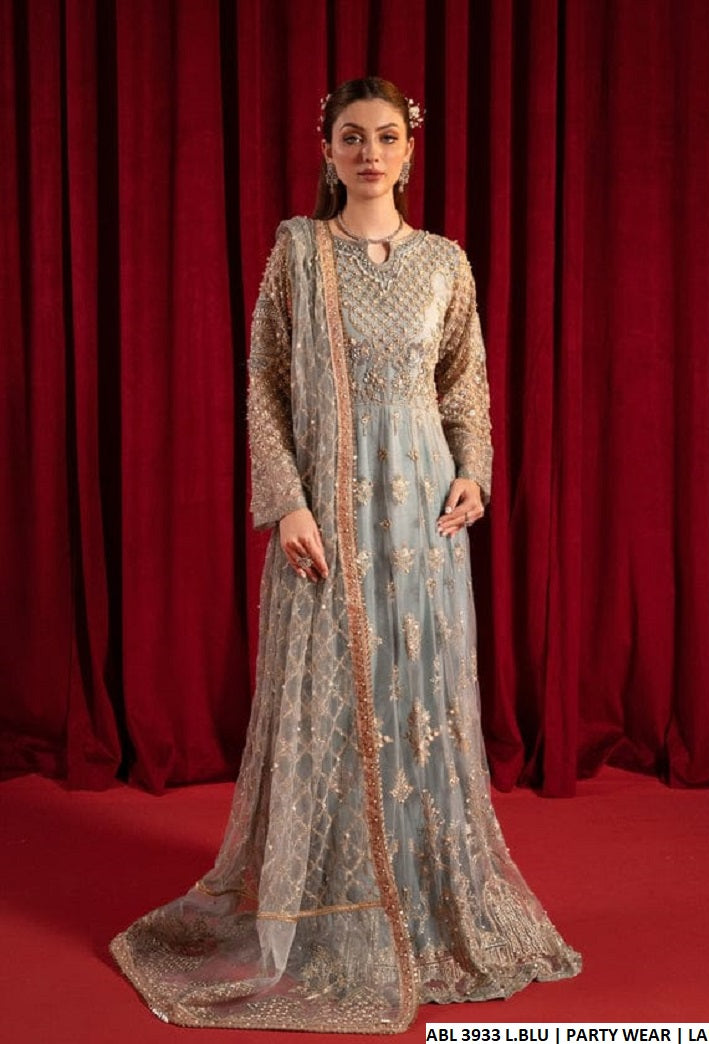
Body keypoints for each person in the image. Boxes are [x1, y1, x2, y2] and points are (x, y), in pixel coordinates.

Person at [110, 76, 581, 1034]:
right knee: (330, 694)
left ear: (411, 149)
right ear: (326, 150)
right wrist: (285, 503)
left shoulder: (445, 262)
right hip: (326, 517)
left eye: (387, 137)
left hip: (421, 525)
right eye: (352, 137)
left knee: (415, 696)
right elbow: (266, 384)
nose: (371, 153)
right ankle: (327, 913)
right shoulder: (299, 251)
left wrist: (475, 473)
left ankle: (423, 906)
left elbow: (465, 383)